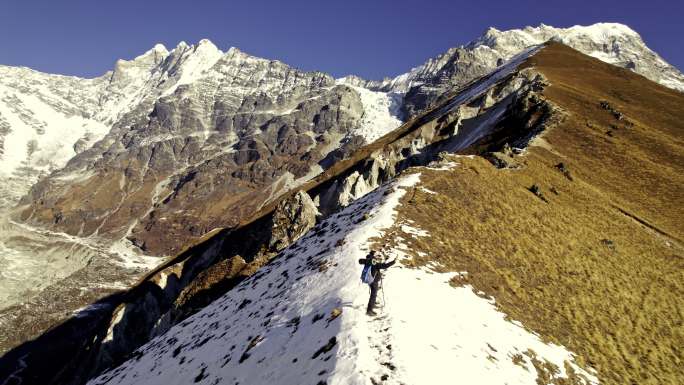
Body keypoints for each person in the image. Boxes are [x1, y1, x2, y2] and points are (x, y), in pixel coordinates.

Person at [358, 250, 396, 316]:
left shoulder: (368, 260)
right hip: (373, 281)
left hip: (370, 280)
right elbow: (385, 266)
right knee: (373, 294)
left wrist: (371, 255)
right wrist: (393, 262)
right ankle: (369, 310)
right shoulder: (374, 262)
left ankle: (373, 303)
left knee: (373, 293)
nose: (377, 258)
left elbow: (360, 261)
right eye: (377, 256)